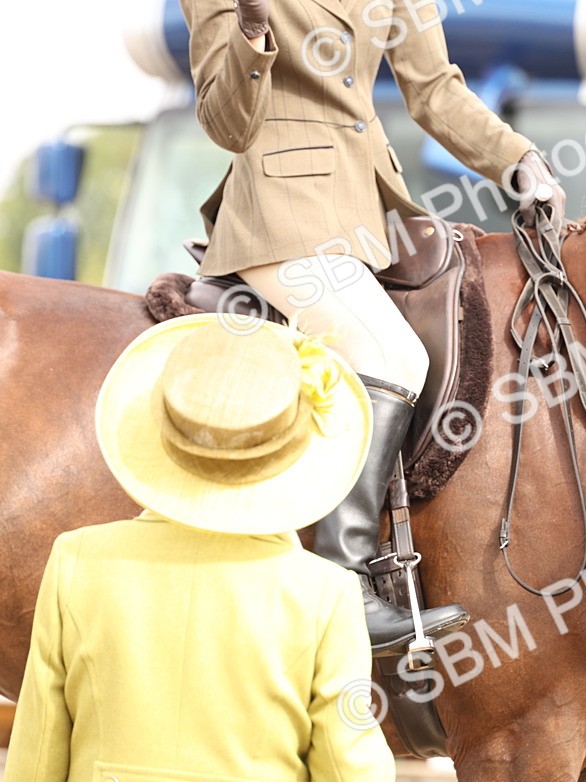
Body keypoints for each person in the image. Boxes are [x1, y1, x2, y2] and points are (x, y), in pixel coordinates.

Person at [179, 0, 566, 656]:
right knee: (387, 354)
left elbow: (435, 90)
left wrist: (518, 160)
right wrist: (252, 32)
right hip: (279, 210)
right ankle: (344, 583)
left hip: (371, 214)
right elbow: (226, 124)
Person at [1, 315, 395, 782]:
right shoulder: (326, 594)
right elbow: (351, 775)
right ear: (293, 450)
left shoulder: (76, 560)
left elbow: (37, 751)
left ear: (162, 432)